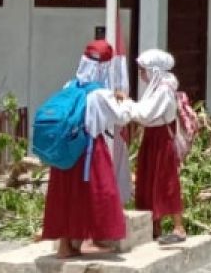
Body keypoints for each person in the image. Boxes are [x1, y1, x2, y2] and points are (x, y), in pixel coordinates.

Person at [41, 39, 133, 258]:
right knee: (96, 195)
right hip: (91, 150)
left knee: (66, 195)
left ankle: (67, 245)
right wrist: (126, 101)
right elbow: (121, 118)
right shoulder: (100, 94)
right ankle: (89, 239)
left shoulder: (69, 85)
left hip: (66, 151)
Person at [119, 48, 187, 244]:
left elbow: (146, 114)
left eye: (143, 70)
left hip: (161, 140)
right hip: (152, 138)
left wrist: (128, 104)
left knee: (166, 180)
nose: (141, 74)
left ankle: (178, 227)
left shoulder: (164, 90)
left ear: (154, 70)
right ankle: (154, 225)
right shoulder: (156, 88)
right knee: (148, 179)